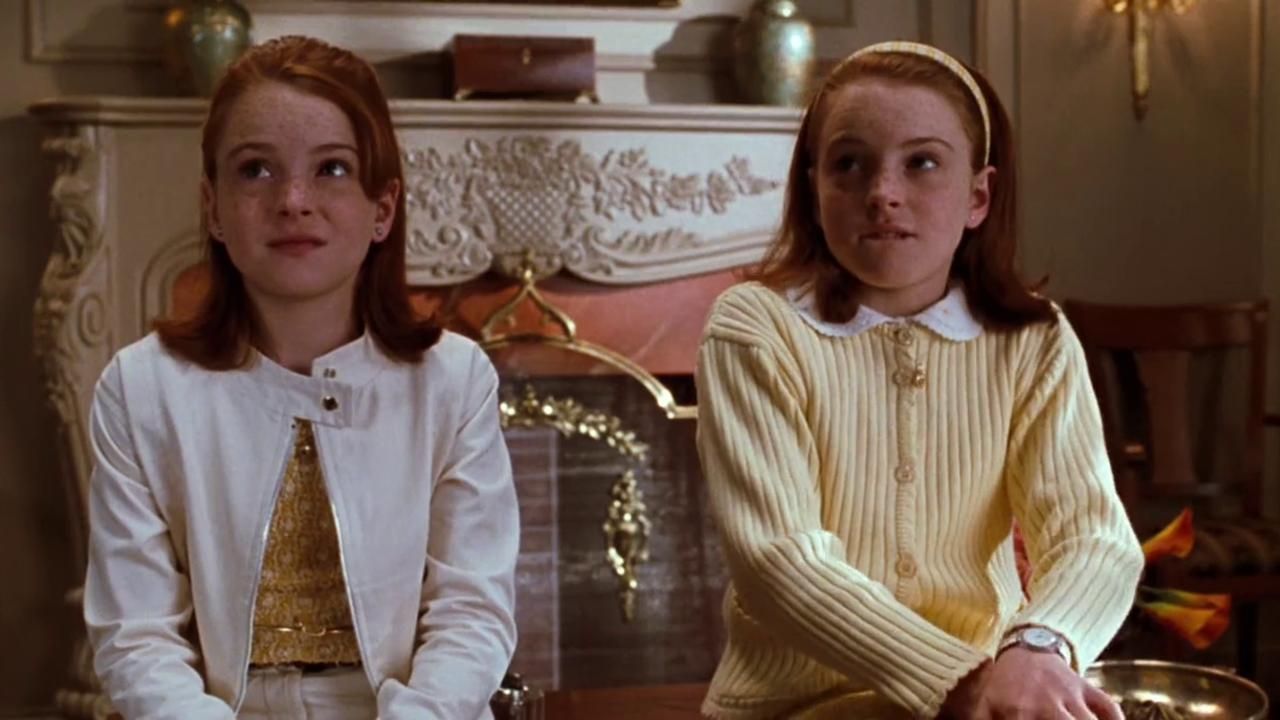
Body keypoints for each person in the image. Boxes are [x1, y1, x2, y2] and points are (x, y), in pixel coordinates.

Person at [695, 41, 1143, 719]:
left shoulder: (1033, 338)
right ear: (814, 190)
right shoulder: (756, 327)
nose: (882, 193)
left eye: (922, 162)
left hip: (994, 698)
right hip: (795, 706)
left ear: (977, 196)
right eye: (849, 164)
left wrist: (1039, 649)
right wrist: (965, 682)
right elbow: (778, 562)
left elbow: (1091, 536)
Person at [83, 36, 518, 719]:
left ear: (383, 209)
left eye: (332, 169)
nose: (292, 200)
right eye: (255, 169)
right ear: (214, 208)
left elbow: (472, 613)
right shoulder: (141, 388)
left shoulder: (454, 380)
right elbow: (136, 637)